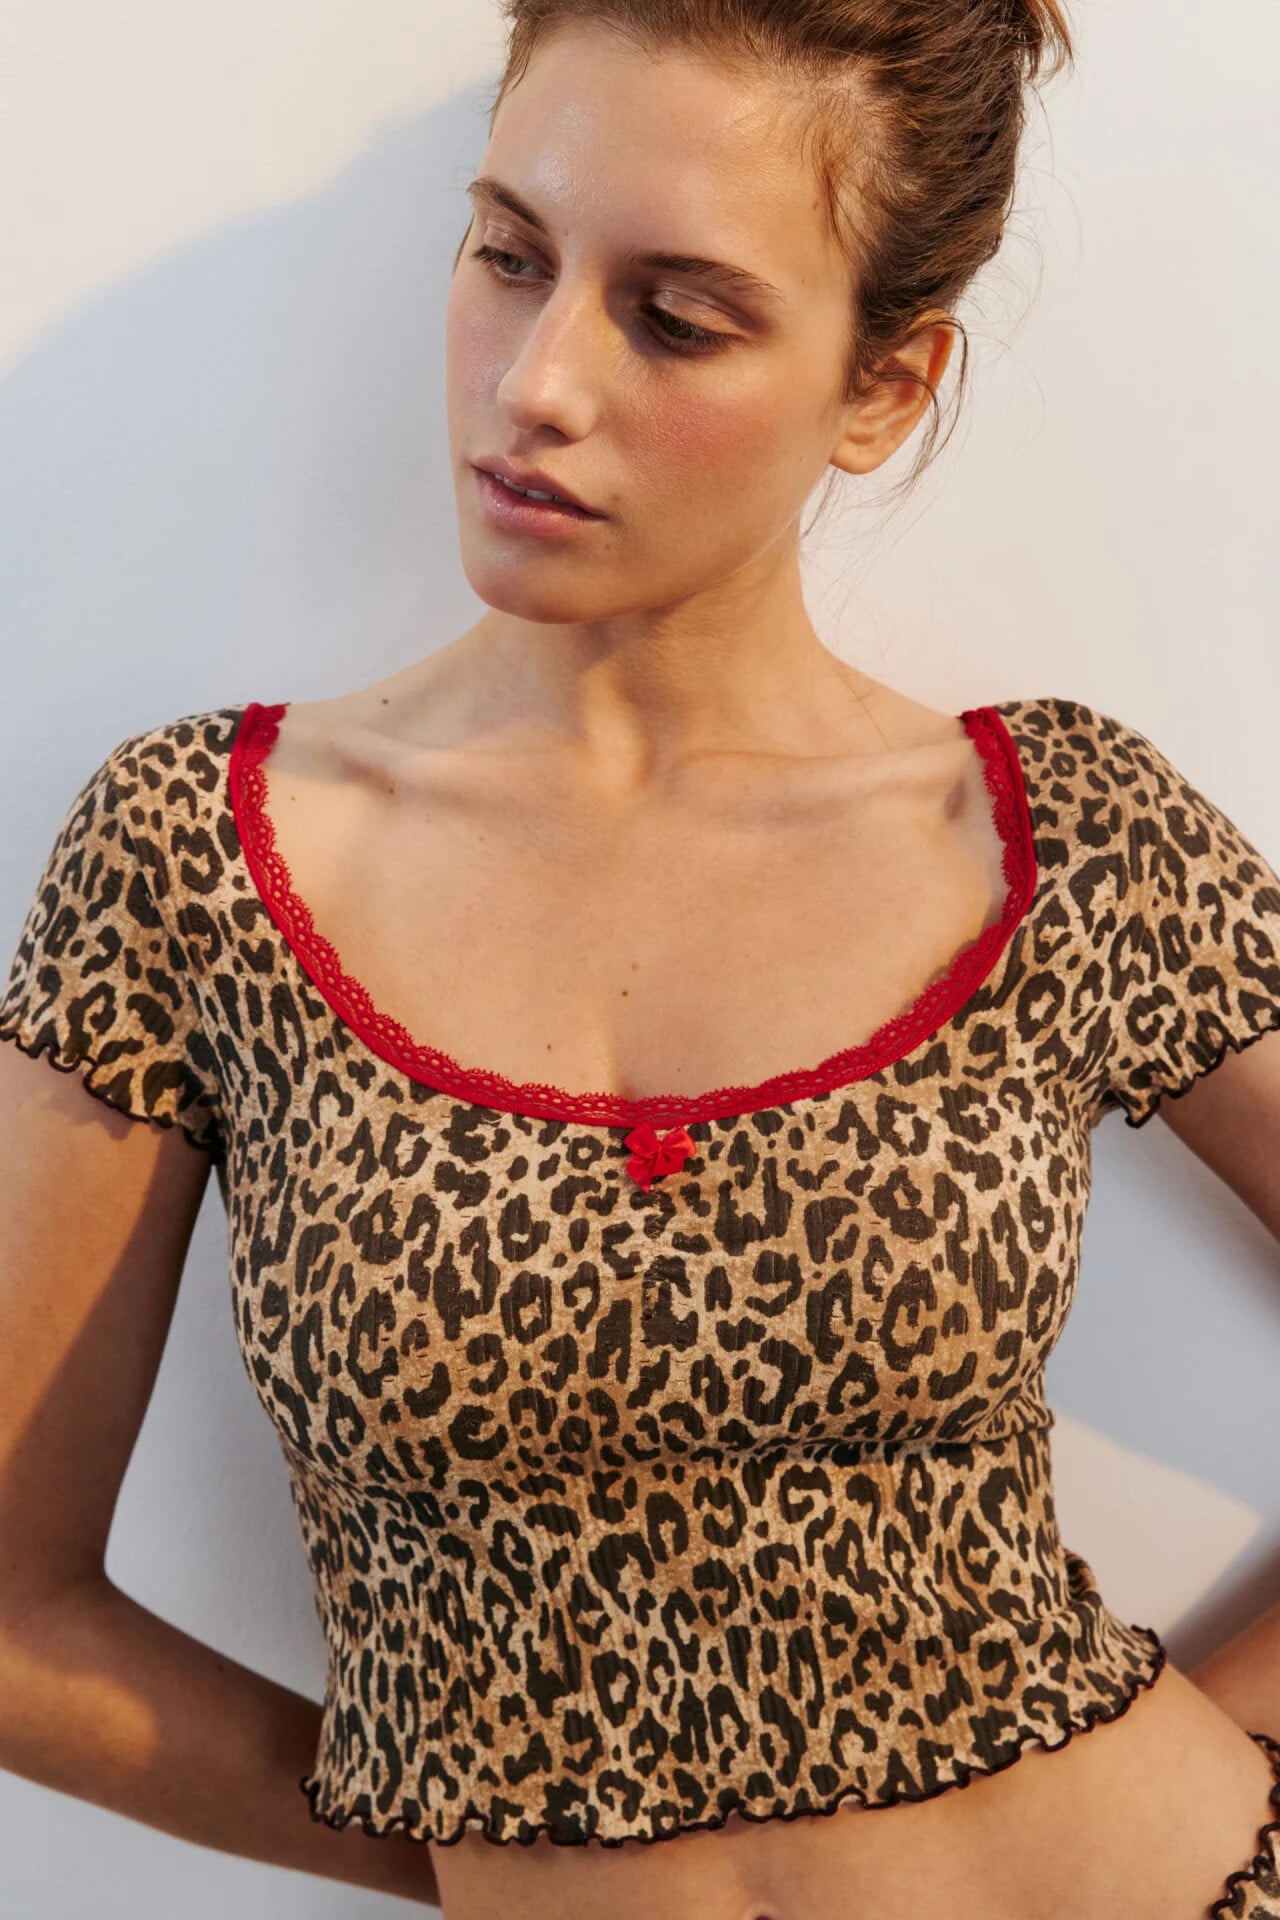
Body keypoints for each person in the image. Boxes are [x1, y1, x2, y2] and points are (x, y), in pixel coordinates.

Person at [2, 3, 1280, 1917]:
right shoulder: (197, 859)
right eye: (508, 254)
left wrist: (1224, 1758)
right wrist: (488, 1858)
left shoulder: (1062, 837)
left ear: (882, 387)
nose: (536, 384)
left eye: (676, 320)